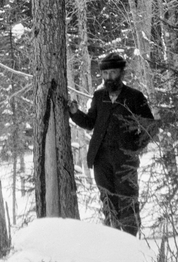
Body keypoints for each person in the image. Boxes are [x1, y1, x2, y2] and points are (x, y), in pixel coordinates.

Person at [64, 52, 156, 236]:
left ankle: (131, 240)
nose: (108, 77)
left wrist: (133, 148)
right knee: (107, 200)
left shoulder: (135, 97)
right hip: (101, 159)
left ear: (121, 73)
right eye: (105, 74)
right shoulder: (99, 96)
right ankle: (113, 239)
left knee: (128, 199)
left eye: (112, 73)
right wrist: (75, 113)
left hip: (125, 161)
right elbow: (91, 123)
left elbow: (150, 127)